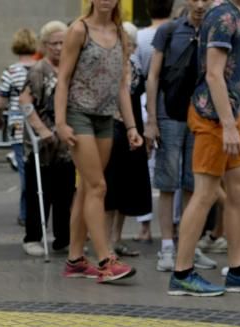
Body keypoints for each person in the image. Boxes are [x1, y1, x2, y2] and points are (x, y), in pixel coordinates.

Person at [167, 0, 240, 296]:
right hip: (213, 117)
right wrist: (228, 124)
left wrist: (233, 121)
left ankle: (238, 269)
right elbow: (213, 74)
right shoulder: (224, 15)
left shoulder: (237, 15)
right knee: (205, 192)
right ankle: (182, 272)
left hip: (229, 115)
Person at [57, 0, 142, 283]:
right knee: (97, 186)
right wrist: (60, 122)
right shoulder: (79, 30)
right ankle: (106, 259)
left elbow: (121, 85)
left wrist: (131, 125)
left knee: (86, 190)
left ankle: (75, 259)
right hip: (78, 115)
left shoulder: (120, 33)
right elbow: (63, 79)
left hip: (106, 118)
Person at [146, 0, 219, 274]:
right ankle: (167, 245)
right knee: (167, 181)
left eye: (206, 0)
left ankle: (189, 244)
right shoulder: (168, 31)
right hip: (171, 113)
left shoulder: (216, 30)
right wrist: (151, 120)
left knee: (193, 182)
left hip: (202, 115)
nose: (200, 5)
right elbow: (153, 77)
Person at [19, 20, 73, 257]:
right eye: (54, 44)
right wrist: (41, 130)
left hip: (67, 142)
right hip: (42, 143)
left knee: (65, 192)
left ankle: (64, 238)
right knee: (39, 191)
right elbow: (25, 102)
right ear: (45, 45)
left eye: (63, 42)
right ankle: (33, 237)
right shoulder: (38, 70)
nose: (59, 48)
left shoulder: (71, 67)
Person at [105, 21, 152, 257]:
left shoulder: (136, 66)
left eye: (132, 43)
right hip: (113, 128)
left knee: (125, 187)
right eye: (126, 42)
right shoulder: (111, 65)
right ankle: (105, 243)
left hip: (133, 128)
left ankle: (116, 238)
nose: (129, 47)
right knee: (110, 187)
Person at [134, 0, 174, 244]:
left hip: (144, 101)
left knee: (146, 168)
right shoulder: (176, 31)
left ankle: (145, 227)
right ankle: (174, 225)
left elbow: (138, 71)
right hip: (170, 101)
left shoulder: (140, 36)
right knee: (172, 166)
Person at [0, 28, 37, 230]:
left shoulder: (10, 71)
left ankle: (26, 213)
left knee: (24, 170)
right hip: (38, 124)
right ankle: (36, 211)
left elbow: (1, 101)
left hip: (18, 125)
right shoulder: (40, 68)